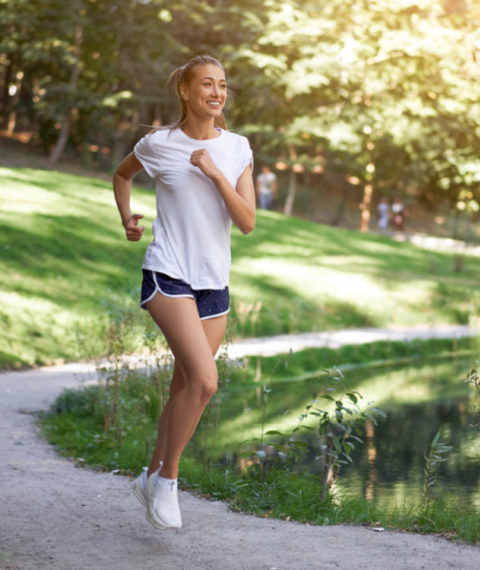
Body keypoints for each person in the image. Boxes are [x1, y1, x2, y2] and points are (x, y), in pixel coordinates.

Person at [113, 55, 255, 530]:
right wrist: (126, 216)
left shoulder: (237, 148)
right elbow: (122, 174)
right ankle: (168, 482)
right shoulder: (159, 143)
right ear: (186, 92)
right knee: (207, 381)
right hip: (167, 274)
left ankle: (150, 475)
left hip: (215, 284)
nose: (217, 93)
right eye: (207, 85)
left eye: (223, 86)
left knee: (185, 389)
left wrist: (216, 173)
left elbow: (248, 221)